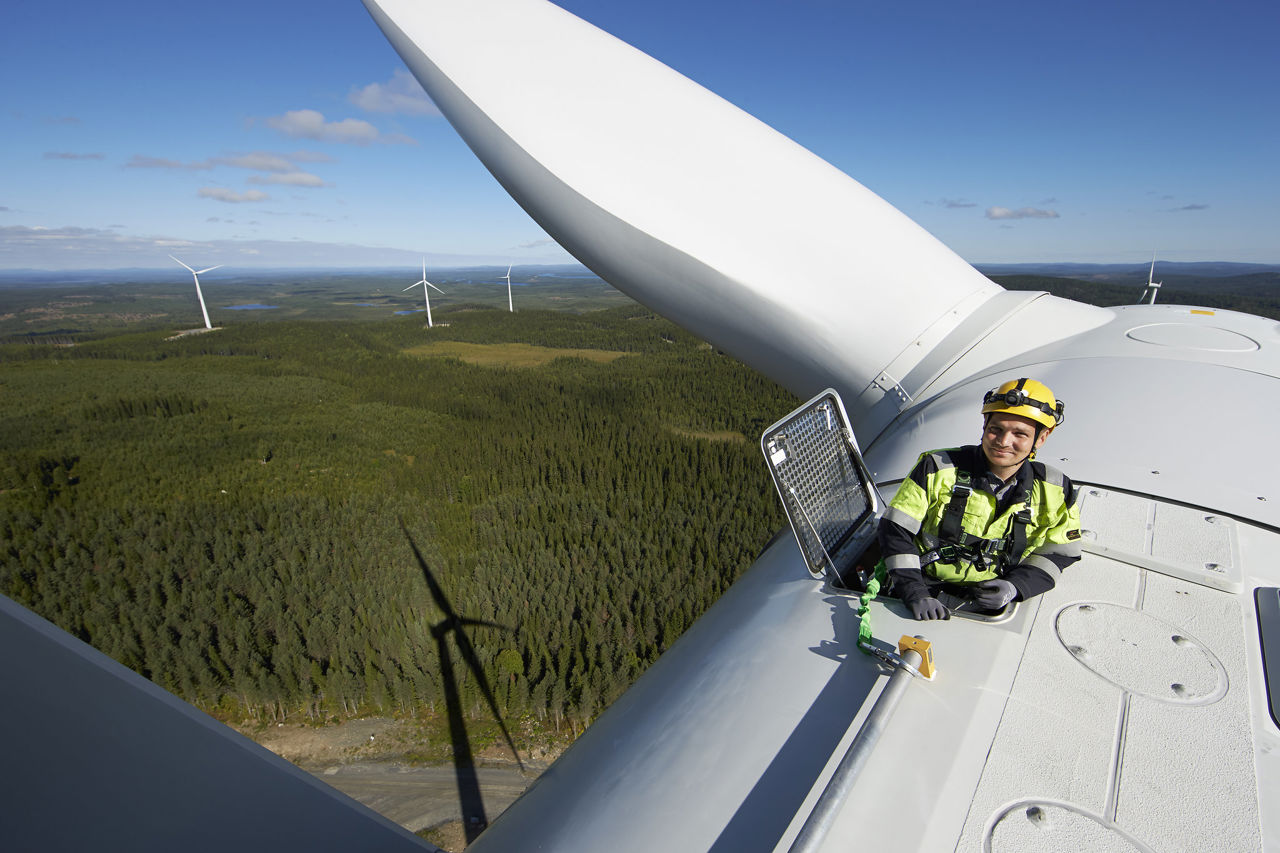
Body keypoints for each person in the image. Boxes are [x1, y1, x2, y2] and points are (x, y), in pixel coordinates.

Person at [877, 378, 1082, 620]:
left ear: (1041, 438)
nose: (1004, 442)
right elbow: (895, 532)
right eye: (997, 429)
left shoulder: (1055, 488)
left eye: (1020, 434)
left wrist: (1017, 587)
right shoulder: (936, 468)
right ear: (985, 424)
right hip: (924, 591)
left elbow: (1061, 551)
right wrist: (914, 592)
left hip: (992, 604)